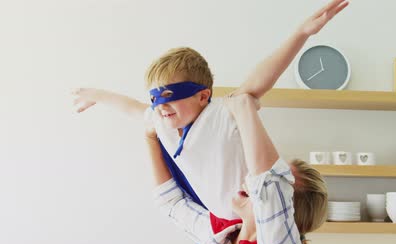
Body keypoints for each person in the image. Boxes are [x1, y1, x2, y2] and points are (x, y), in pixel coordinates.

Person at [72, 0, 350, 220]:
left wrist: (301, 33)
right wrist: (95, 95)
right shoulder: (161, 119)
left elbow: (255, 85)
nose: (161, 105)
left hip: (253, 216)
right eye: (155, 99)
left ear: (203, 96)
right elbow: (133, 108)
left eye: (170, 96)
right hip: (215, 220)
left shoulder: (219, 114)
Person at [146, 93, 328, 244]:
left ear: (286, 213)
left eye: (283, 184)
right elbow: (172, 203)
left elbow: (269, 185)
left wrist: (245, 111)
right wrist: (150, 138)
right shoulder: (217, 237)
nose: (250, 179)